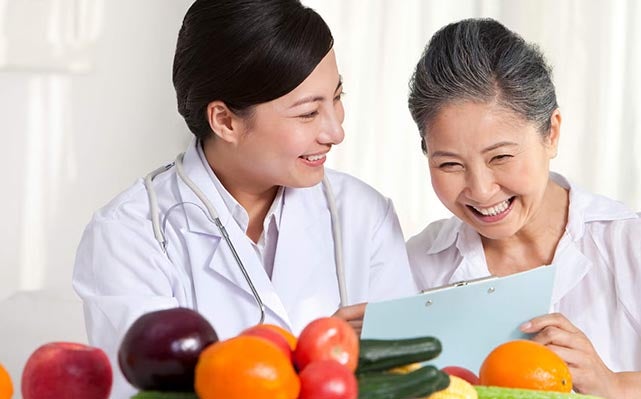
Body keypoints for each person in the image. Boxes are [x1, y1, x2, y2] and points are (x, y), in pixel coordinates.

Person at [73, 0, 416, 395]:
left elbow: (408, 379)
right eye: (308, 114)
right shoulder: (130, 235)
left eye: (337, 97)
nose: (335, 131)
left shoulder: (364, 215)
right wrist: (314, 360)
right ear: (225, 121)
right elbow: (150, 391)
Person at [406, 18, 641, 398]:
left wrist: (614, 384)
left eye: (501, 157)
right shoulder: (414, 267)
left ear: (552, 132)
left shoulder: (635, 247)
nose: (480, 189)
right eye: (450, 165)